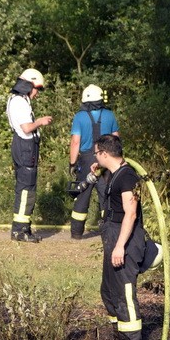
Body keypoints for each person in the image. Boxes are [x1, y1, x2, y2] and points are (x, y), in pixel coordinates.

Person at [90, 134, 147, 340]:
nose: (95, 157)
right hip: (113, 234)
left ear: (104, 153)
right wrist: (99, 174)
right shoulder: (115, 174)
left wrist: (120, 247)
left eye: (96, 153)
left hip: (125, 240)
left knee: (124, 292)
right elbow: (109, 199)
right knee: (109, 291)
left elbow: (131, 213)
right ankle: (121, 337)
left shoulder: (128, 177)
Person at [68, 85, 120, 239]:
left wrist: (72, 163)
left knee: (83, 194)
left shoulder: (79, 117)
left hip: (86, 159)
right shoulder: (110, 115)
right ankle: (107, 231)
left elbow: (75, 142)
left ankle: (76, 233)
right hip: (107, 159)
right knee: (106, 194)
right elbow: (116, 139)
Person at [6, 68, 51, 243]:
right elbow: (26, 128)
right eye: (37, 89)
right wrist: (40, 122)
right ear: (28, 85)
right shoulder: (20, 102)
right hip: (25, 148)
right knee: (26, 189)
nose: (37, 93)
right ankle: (19, 231)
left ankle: (24, 229)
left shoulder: (18, 100)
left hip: (24, 147)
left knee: (27, 188)